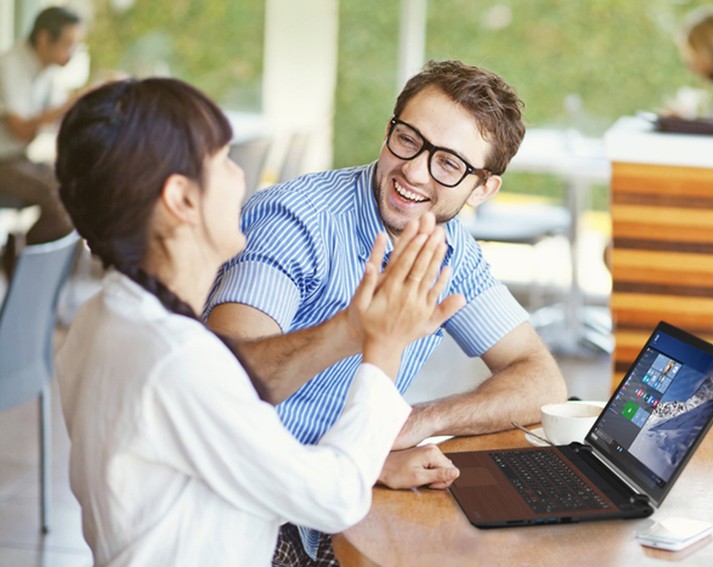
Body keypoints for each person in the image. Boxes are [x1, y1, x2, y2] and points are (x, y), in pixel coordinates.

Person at [54, 77, 463, 566]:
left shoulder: (104, 316)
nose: (242, 178)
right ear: (182, 199)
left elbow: (238, 451)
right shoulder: (178, 363)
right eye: (224, 160)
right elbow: (335, 499)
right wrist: (385, 347)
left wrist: (355, 328)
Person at [205, 59, 567, 563]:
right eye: (408, 139)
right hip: (249, 510)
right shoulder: (295, 219)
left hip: (339, 492)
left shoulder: (450, 248)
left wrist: (412, 424)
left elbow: (541, 380)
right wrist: (354, 331)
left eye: (448, 164)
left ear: (482, 188)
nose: (413, 171)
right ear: (388, 130)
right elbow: (224, 385)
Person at [0, 6, 82, 274]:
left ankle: (21, 263)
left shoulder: (45, 72)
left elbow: (54, 120)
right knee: (57, 196)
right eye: (68, 44)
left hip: (18, 158)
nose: (72, 53)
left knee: (74, 185)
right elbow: (21, 130)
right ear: (45, 38)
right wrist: (67, 105)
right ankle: (21, 269)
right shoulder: (10, 65)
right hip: (3, 160)